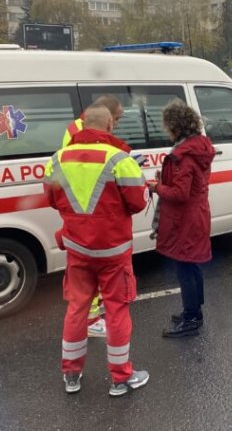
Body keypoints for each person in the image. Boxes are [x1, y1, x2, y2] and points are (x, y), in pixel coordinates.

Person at [45, 104, 150, 396]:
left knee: (77, 309)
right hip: (113, 252)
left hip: (78, 250)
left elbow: (52, 200)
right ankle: (120, 378)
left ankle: (71, 376)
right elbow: (139, 202)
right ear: (110, 126)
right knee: (116, 311)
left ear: (82, 124)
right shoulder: (120, 159)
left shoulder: (56, 160)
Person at [62, 94, 136, 339]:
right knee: (99, 278)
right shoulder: (84, 132)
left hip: (77, 214)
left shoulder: (74, 128)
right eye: (117, 119)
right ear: (107, 118)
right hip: (94, 212)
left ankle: (72, 369)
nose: (117, 124)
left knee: (83, 277)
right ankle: (92, 318)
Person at [147, 100, 215, 338]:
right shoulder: (199, 147)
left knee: (185, 267)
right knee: (192, 265)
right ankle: (195, 313)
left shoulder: (182, 155)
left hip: (185, 219)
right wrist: (165, 179)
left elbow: (179, 194)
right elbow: (188, 185)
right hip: (197, 215)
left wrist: (157, 187)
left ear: (174, 126)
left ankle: (190, 319)